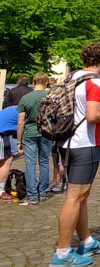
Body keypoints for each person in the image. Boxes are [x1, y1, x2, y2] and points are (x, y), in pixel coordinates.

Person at [51, 42, 100, 267]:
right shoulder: (95, 82)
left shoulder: (73, 77)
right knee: (75, 197)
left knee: (81, 196)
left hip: (66, 141)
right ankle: (63, 252)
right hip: (85, 143)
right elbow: (92, 115)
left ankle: (86, 241)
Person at [16, 73, 52, 205]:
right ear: (47, 82)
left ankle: (31, 194)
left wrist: (19, 140)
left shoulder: (26, 98)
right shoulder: (50, 96)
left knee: (30, 163)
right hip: (46, 132)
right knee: (44, 162)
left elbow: (20, 122)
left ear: (33, 81)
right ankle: (43, 191)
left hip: (30, 132)